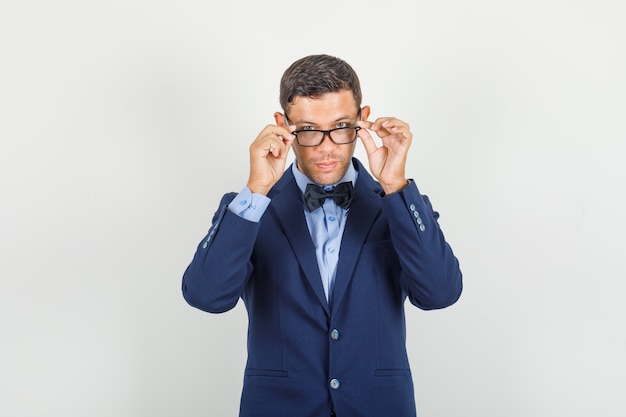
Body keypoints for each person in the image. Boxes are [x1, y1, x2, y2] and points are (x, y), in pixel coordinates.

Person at [182, 54, 462, 417]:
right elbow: (206, 296)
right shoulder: (250, 209)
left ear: (363, 121)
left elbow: (440, 293)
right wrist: (255, 190)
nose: (327, 146)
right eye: (309, 129)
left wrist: (394, 184)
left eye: (342, 125)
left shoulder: (397, 205)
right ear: (283, 125)